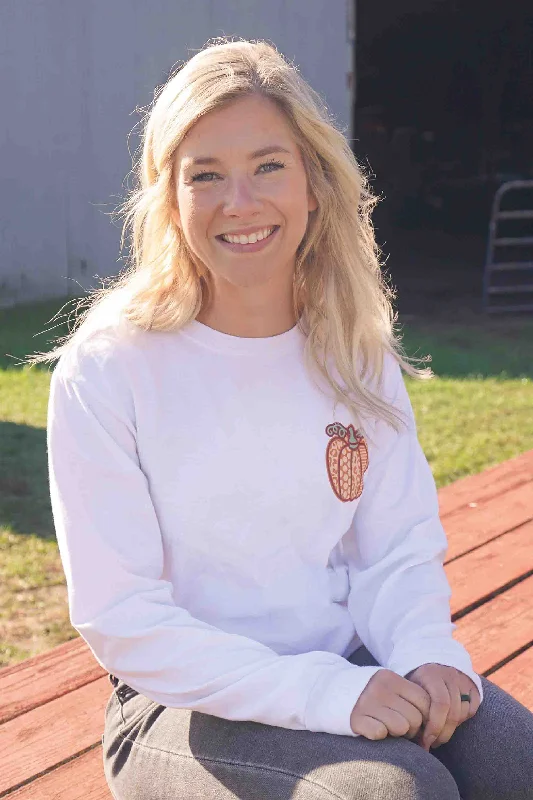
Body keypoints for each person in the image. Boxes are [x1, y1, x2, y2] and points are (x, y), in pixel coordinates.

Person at [35, 38, 533, 800]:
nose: (240, 202)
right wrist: (328, 694)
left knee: (513, 761)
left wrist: (427, 651)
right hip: (182, 707)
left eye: (268, 165)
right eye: (206, 176)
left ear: (313, 185)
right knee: (390, 792)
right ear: (170, 200)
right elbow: (122, 617)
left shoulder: (353, 353)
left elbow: (393, 547)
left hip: (352, 663)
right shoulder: (109, 369)